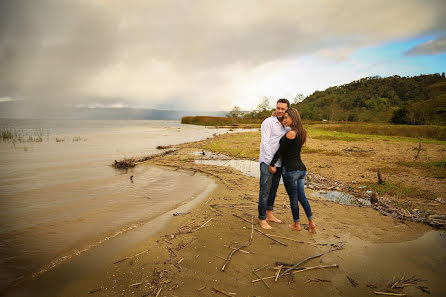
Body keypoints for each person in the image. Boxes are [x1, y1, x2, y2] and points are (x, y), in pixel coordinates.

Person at [269, 108, 316, 232]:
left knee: (293, 198)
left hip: (290, 170)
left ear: (293, 118)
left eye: (286, 118)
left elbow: (280, 151)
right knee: (302, 197)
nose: (284, 120)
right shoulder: (301, 132)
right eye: (283, 117)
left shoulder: (291, 133)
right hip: (301, 169)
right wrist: (275, 116)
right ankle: (311, 223)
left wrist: (272, 164)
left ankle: (297, 224)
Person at [258, 98, 290, 229]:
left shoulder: (287, 124)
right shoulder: (268, 122)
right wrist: (271, 163)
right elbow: (265, 143)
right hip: (267, 161)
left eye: (283, 109)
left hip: (280, 162)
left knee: (273, 189)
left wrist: (278, 163)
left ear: (287, 110)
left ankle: (269, 214)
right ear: (275, 108)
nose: (280, 111)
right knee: (265, 189)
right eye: (278, 108)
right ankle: (262, 218)